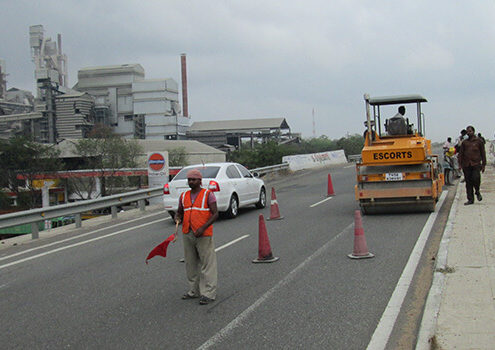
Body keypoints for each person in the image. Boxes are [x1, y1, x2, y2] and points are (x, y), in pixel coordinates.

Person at [175, 168, 219, 305]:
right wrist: (178, 217)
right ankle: (194, 291)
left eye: (193, 179)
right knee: (191, 264)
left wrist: (203, 227)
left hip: (203, 234)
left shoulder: (208, 194)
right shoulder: (184, 196)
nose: (191, 182)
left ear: (200, 181)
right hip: (188, 233)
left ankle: (209, 293)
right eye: (189, 179)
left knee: (207, 264)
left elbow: (215, 213)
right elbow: (179, 212)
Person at [459, 126, 486, 205]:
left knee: (476, 178)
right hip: (466, 165)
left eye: (470, 131)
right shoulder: (464, 143)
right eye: (467, 131)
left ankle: (477, 191)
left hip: (476, 164)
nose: (468, 133)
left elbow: (483, 153)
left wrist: (484, 164)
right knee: (468, 182)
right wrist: (460, 165)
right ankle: (470, 199)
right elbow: (461, 154)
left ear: (473, 131)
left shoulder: (479, 141)